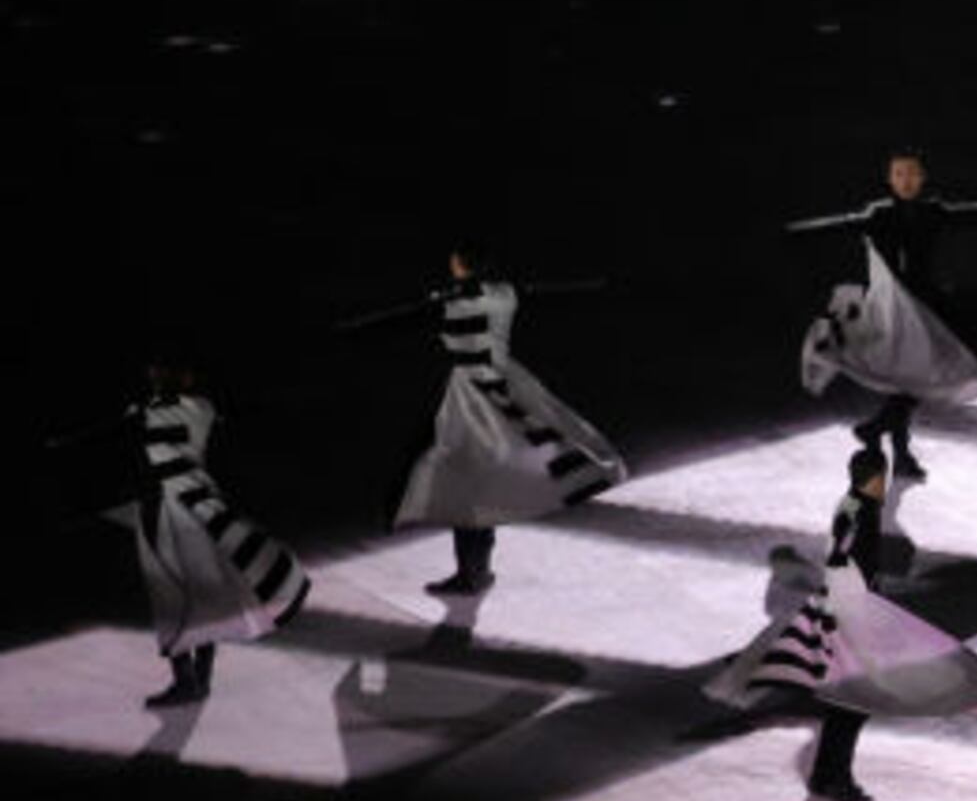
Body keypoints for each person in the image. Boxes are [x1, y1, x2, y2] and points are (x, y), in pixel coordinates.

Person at [707, 443, 977, 801]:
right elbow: (844, 563)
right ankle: (831, 778)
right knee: (850, 708)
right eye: (877, 476)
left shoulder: (858, 507)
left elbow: (847, 564)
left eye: (881, 477)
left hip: (855, 613)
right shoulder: (857, 511)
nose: (879, 482)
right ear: (864, 478)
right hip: (853, 616)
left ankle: (832, 777)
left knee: (849, 708)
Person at [344, 246, 626, 595]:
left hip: (469, 396)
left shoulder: (450, 302)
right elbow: (549, 291)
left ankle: (469, 571)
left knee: (463, 482)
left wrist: (352, 327)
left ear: (460, 265)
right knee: (475, 481)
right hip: (506, 385)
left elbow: (393, 319)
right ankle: (473, 570)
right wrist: (597, 282)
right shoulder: (505, 293)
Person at [62, 359, 309, 706]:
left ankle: (189, 682)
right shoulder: (190, 409)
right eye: (154, 370)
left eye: (162, 370)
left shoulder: (168, 412)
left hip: (175, 513)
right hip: (190, 510)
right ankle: (196, 681)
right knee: (199, 598)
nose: (155, 375)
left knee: (177, 598)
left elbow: (136, 441)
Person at [790, 150, 977, 480]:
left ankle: (889, 441)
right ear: (890, 179)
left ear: (922, 178)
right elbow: (842, 224)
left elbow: (970, 215)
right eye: (899, 175)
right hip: (893, 309)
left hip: (927, 306)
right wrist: (798, 230)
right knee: (912, 382)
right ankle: (884, 437)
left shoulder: (932, 211)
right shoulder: (878, 214)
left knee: (912, 381)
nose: (906, 181)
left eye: (912, 174)